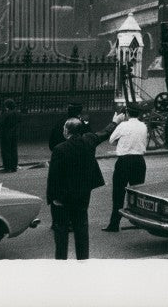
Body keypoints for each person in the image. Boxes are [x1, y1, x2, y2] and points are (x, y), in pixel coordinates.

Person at [47, 111, 124, 260]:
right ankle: (83, 260)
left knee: (61, 233)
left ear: (66, 131)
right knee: (81, 229)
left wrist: (53, 197)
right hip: (82, 194)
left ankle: (61, 262)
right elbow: (104, 132)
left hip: (63, 197)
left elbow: (54, 177)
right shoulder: (88, 141)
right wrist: (115, 121)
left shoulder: (59, 149)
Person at [103, 104, 149, 232]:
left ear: (127, 113)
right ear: (139, 114)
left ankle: (114, 223)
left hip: (124, 161)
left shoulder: (122, 125)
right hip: (139, 161)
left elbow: (111, 140)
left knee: (118, 193)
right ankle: (137, 221)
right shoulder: (143, 126)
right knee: (136, 193)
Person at [0, 99, 21, 173]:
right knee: (14, 150)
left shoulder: (6, 114)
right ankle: (14, 166)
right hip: (15, 134)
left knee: (6, 150)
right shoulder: (17, 113)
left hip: (6, 134)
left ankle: (7, 167)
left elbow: (1, 123)